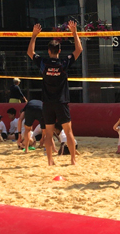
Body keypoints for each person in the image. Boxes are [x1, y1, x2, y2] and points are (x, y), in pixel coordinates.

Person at [27, 20, 82, 166]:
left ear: (49, 51)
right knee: (68, 132)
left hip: (48, 103)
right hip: (61, 102)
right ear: (59, 51)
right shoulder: (63, 63)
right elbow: (79, 50)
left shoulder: (44, 63)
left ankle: (50, 161)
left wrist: (34, 36)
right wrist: (74, 32)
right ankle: (72, 160)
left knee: (49, 133)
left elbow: (30, 52)